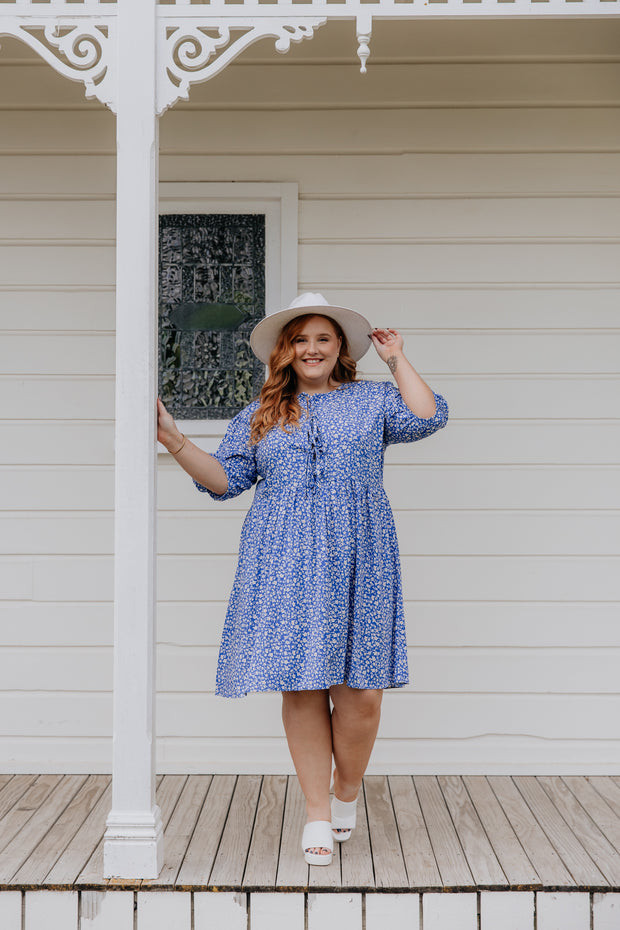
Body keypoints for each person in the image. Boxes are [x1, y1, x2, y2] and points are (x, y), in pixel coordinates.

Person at [157, 292, 448, 866]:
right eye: (300, 338)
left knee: (361, 692)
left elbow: (427, 416)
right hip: (285, 556)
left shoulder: (371, 400)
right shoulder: (261, 411)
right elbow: (222, 481)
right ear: (284, 351)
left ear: (340, 347)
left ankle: (345, 791)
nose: (311, 348)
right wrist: (173, 439)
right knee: (302, 684)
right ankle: (317, 811)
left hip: (359, 552)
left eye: (323, 337)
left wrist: (395, 359)